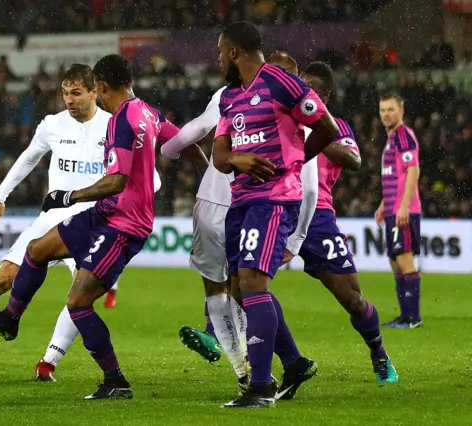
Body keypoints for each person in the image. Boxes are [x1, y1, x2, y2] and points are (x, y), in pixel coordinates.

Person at [0, 54, 208, 400]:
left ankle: (115, 380)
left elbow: (117, 181)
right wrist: (209, 179)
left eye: (95, 88)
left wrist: (68, 196)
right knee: (37, 250)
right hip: (105, 213)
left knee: (78, 303)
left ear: (103, 87)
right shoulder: (148, 113)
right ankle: (10, 319)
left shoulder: (122, 121)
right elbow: (184, 142)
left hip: (123, 224)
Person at [0, 64, 159, 382]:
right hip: (52, 218)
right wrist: (0, 196)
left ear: (95, 92)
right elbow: (28, 158)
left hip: (93, 221)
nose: (69, 99)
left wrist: (121, 202)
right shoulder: (52, 125)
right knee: (2, 279)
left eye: (77, 92)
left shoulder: (117, 125)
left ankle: (48, 362)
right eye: (65, 92)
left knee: (80, 294)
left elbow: (153, 179)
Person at [162, 52, 320, 396]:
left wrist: (169, 151)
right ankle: (274, 366)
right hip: (244, 206)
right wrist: (296, 238)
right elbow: (309, 185)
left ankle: (253, 374)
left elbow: (193, 130)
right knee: (243, 288)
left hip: (230, 204)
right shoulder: (283, 110)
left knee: (235, 289)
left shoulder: (230, 96)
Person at [212, 22, 338, 408]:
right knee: (237, 286)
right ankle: (295, 363)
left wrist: (294, 162)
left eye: (220, 53)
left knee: (251, 282)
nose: (218, 60)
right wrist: (238, 157)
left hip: (274, 199)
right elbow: (219, 156)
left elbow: (327, 127)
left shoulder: (282, 83)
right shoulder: (229, 98)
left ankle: (262, 386)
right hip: (241, 201)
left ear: (234, 51)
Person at [285, 61, 398, 383]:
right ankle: (259, 360)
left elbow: (354, 160)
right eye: (300, 86)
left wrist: (316, 132)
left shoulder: (338, 126)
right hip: (278, 207)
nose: (303, 93)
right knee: (245, 280)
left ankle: (379, 353)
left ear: (326, 95)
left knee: (352, 298)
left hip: (318, 216)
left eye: (311, 88)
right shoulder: (282, 121)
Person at [375, 92, 422, 328]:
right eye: (383, 110)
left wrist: (403, 206)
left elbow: (413, 171)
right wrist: (385, 204)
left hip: (405, 209)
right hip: (394, 208)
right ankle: (405, 315)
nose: (386, 114)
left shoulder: (403, 136)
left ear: (401, 111)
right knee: (395, 260)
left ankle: (413, 318)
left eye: (391, 109)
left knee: (405, 259)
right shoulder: (392, 139)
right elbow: (396, 176)